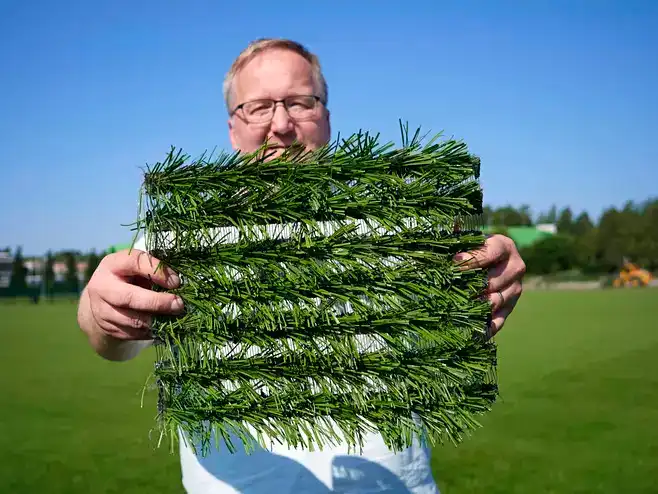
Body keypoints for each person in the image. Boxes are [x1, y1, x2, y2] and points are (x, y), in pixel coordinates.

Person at [78, 38, 526, 493]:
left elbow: (465, 298)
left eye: (300, 103)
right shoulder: (186, 229)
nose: (281, 125)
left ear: (326, 117)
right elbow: (115, 343)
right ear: (233, 128)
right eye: (258, 107)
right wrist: (100, 312)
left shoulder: (396, 217)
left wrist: (491, 275)